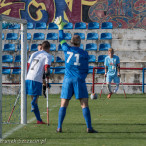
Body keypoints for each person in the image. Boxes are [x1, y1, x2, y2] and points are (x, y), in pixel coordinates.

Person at [54, 16, 97, 133]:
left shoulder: (66, 49)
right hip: (78, 79)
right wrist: (82, 77)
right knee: (84, 103)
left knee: (64, 103)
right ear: (80, 43)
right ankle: (89, 127)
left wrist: (60, 27)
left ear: (71, 42)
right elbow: (86, 68)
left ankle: (59, 127)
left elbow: (61, 38)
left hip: (68, 79)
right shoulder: (84, 53)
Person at [26, 41, 52, 124]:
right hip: (36, 78)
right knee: (35, 99)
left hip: (28, 76)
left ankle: (39, 120)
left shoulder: (34, 54)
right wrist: (48, 73)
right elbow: (46, 67)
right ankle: (33, 104)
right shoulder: (48, 55)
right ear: (48, 48)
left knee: (34, 98)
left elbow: (28, 65)